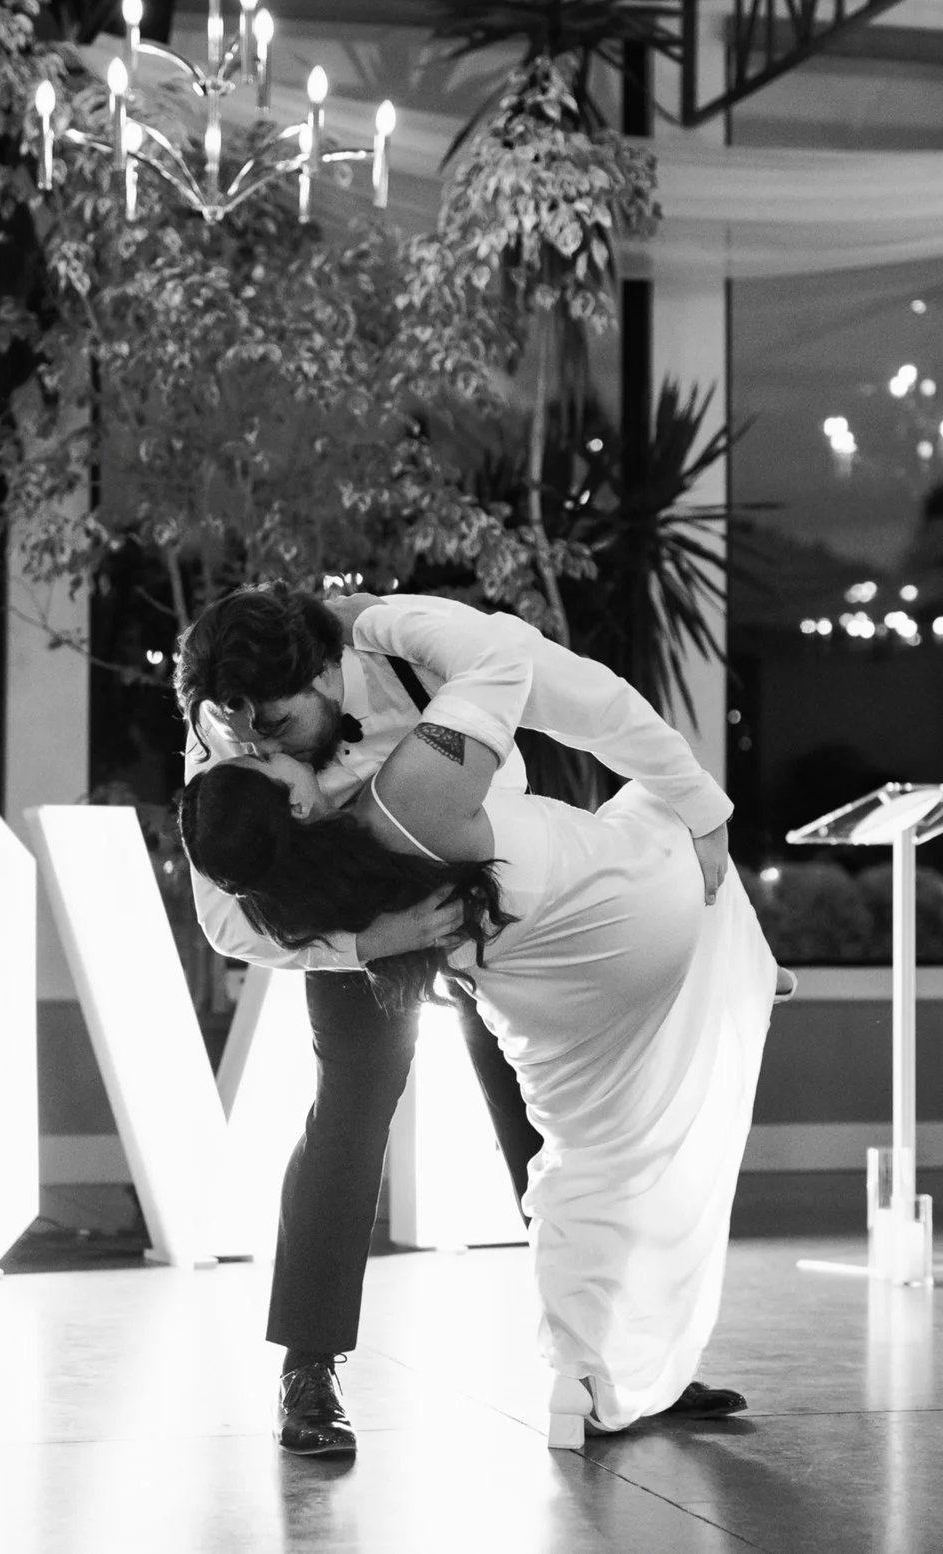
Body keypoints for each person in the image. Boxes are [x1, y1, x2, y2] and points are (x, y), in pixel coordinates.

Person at [172, 585, 735, 1458]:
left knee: (550, 1119)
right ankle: (307, 1373)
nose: (256, 749)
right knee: (350, 1114)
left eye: (276, 730)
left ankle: (621, 1355)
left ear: (327, 671)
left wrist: (701, 809)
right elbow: (224, 919)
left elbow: (595, 704)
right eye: (244, 735)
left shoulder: (416, 643)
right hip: (356, 916)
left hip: (488, 881)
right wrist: (370, 940)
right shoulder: (223, 728)